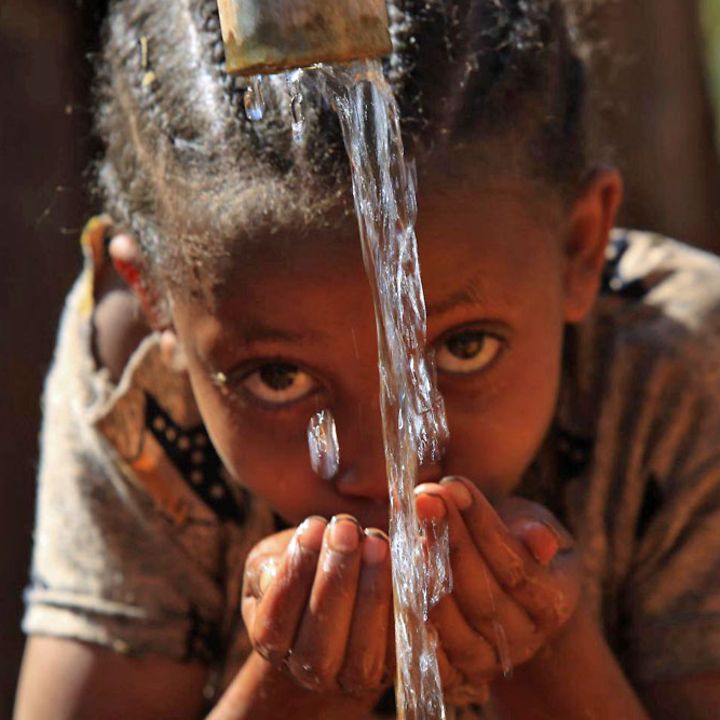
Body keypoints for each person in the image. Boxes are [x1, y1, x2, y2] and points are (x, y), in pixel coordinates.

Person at [13, 0, 720, 718]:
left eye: (464, 348)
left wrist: (544, 657)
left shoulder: (681, 366)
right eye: (278, 378)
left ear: (580, 248)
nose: (393, 471)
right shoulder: (144, 403)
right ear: (157, 303)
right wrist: (294, 687)